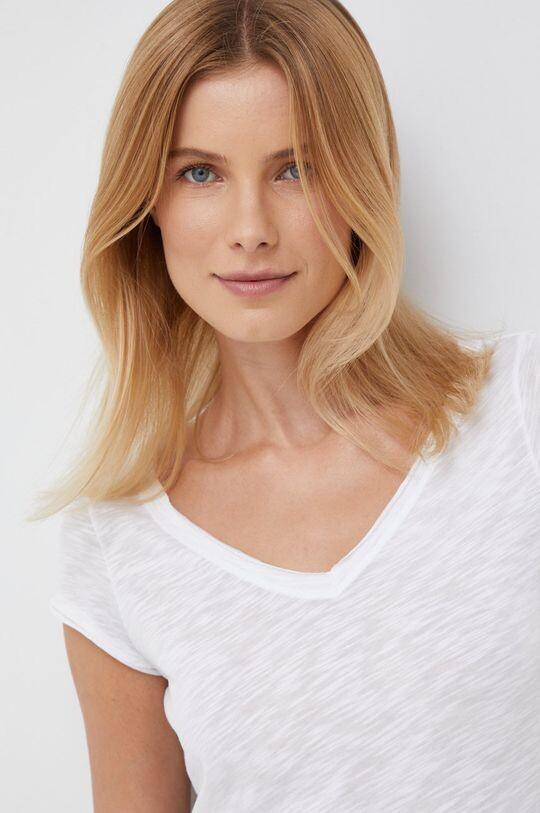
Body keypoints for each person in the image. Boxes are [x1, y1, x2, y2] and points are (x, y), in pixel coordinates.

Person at [30, 0, 539, 810]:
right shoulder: (118, 542)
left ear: (360, 179)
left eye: (295, 168)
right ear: (148, 202)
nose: (250, 229)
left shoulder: (519, 414)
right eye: (200, 173)